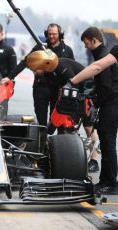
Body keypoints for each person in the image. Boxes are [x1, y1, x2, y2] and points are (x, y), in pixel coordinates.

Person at [71, 35, 118, 195]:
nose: (85, 46)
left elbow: (98, 67)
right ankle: (106, 181)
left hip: (113, 102)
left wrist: (73, 80)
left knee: (108, 141)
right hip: (112, 102)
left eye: (86, 42)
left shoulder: (108, 53)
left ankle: (111, 182)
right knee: (106, 141)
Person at [1, 23, 74, 126]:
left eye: (54, 34)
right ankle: (43, 138)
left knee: (55, 122)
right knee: (41, 122)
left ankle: (52, 133)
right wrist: (10, 77)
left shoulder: (67, 51)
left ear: (60, 34)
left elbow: (72, 70)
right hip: (41, 88)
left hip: (58, 89)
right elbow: (25, 62)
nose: (51, 36)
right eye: (49, 34)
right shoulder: (40, 47)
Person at [80, 27, 107, 173]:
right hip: (97, 99)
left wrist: (96, 102)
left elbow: (105, 83)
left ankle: (95, 161)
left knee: (95, 131)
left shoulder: (104, 56)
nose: (85, 47)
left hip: (105, 104)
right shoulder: (98, 55)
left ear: (94, 40)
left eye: (87, 43)